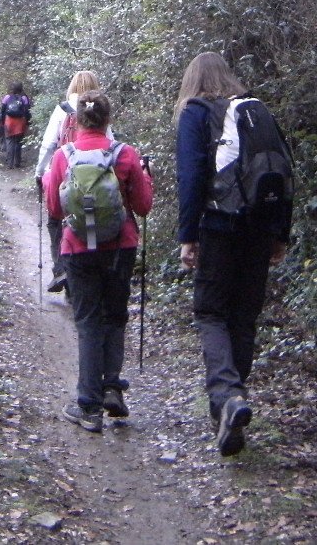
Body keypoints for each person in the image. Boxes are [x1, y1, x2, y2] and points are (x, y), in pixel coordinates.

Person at [175, 51, 292, 457]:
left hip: (220, 225)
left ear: (193, 80)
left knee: (211, 313)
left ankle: (227, 397)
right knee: (243, 317)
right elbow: (285, 172)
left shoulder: (196, 112)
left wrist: (188, 235)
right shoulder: (257, 109)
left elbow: (190, 177)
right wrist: (281, 233)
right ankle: (229, 408)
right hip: (260, 227)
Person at [43, 90, 153, 433]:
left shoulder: (64, 155)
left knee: (88, 321)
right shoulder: (125, 154)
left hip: (77, 249)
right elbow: (144, 205)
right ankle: (112, 389)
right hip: (120, 247)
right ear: (108, 120)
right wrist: (145, 176)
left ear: (75, 121)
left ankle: (88, 406)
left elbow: (54, 209)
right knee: (115, 316)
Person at [34, 70, 103, 294]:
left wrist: (39, 172)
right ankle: (85, 273)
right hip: (92, 177)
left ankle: (60, 268)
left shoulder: (62, 109)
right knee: (86, 220)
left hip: (62, 171)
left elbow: (48, 144)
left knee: (55, 219)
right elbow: (108, 142)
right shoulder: (100, 109)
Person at [0, 83, 32, 169]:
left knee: (9, 141)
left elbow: (2, 111)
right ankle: (17, 162)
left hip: (9, 122)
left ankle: (10, 164)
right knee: (18, 142)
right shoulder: (24, 98)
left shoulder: (7, 97)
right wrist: (28, 122)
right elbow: (27, 111)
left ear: (12, 89)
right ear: (21, 89)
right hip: (20, 122)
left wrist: (3, 122)